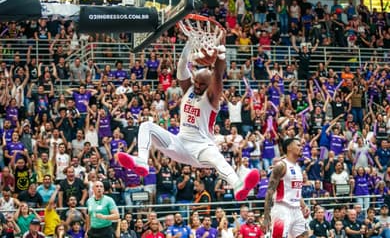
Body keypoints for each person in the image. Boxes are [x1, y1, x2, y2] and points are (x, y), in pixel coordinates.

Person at [118, 33, 259, 201]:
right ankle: (141, 161)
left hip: (202, 148)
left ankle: (238, 186)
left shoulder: (212, 98)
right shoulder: (189, 90)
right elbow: (182, 66)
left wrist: (221, 52)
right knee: (146, 126)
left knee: (216, 157)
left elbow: (218, 75)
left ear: (209, 86)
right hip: (180, 144)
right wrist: (189, 44)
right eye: (196, 82)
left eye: (202, 84)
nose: (198, 86)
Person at [264, 138, 310, 238]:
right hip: (282, 209)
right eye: (298, 145)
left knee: (304, 235)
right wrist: (266, 216)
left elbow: (295, 190)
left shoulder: (298, 167)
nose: (301, 147)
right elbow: (270, 191)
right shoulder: (281, 166)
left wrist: (303, 205)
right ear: (289, 148)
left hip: (296, 210)